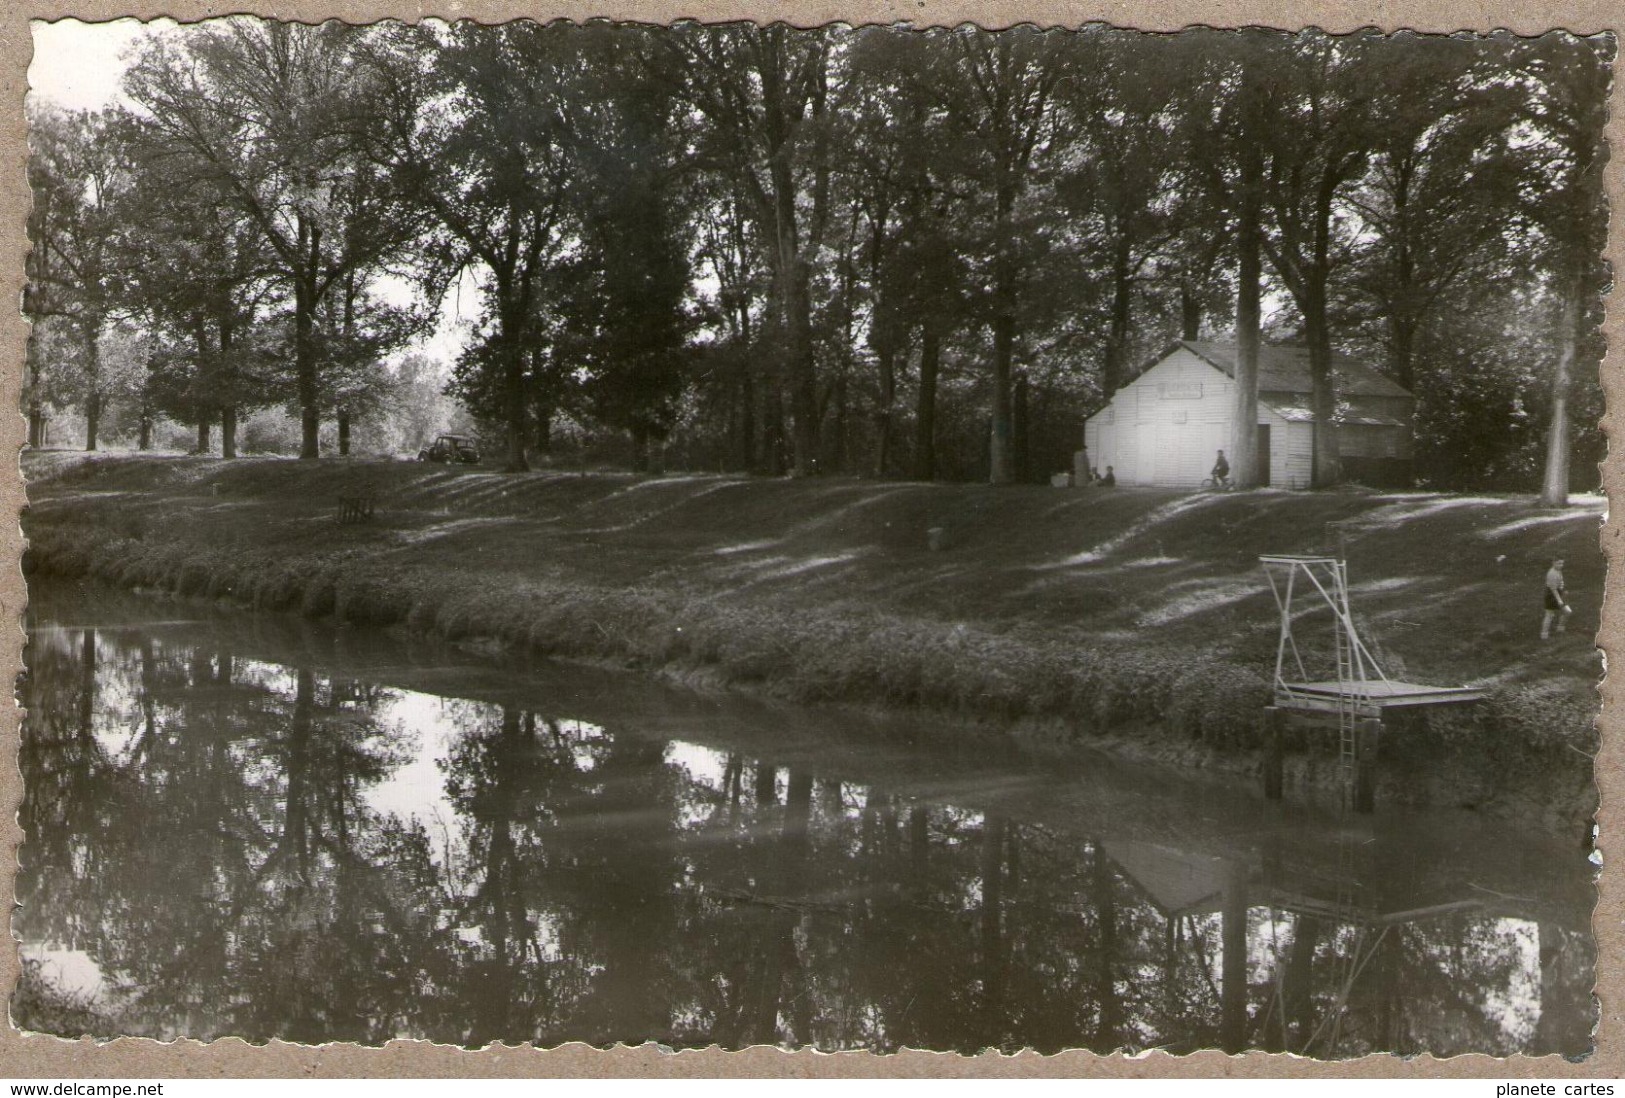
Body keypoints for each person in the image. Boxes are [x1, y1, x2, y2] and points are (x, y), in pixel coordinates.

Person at [1542, 558, 1572, 640]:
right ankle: (1544, 635)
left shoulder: (1558, 570)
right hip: (1551, 595)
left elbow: (1560, 583)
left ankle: (1560, 628)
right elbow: (1553, 589)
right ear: (1553, 563)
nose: (1561, 565)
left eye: (1562, 563)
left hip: (1558, 592)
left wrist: (1563, 590)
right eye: (1558, 563)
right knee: (1549, 614)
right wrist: (1559, 600)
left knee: (1567, 611)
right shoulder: (1551, 573)